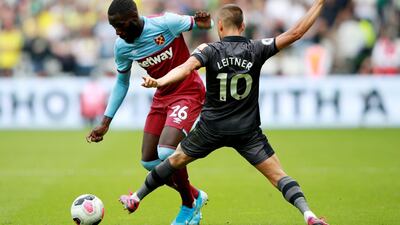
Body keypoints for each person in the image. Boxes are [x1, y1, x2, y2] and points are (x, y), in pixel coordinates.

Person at [123, 2, 329, 225]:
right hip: (247, 131)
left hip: (211, 129)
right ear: (243, 26)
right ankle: (309, 215)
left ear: (219, 26)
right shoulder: (257, 48)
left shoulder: (209, 50)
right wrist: (319, 2)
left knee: (173, 161)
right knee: (279, 176)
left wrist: (159, 81)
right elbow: (297, 32)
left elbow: (185, 68)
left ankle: (136, 197)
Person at [85, 0, 212, 224]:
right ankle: (195, 194)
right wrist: (106, 122)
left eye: (121, 26)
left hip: (188, 92)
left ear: (133, 19)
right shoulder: (122, 46)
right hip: (162, 97)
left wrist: (205, 20)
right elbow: (122, 83)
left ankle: (188, 205)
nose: (118, 32)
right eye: (114, 27)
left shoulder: (166, 23)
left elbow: (203, 25)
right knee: (149, 161)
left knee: (166, 152)